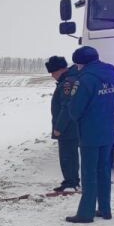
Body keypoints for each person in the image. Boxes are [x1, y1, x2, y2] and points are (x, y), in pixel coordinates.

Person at [65, 45, 114, 223]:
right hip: (108, 130)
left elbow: (75, 111)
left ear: (81, 64)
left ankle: (85, 213)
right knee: (104, 170)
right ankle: (105, 209)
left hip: (90, 133)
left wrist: (70, 102)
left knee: (89, 173)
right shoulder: (111, 74)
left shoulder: (85, 80)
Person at [46, 55, 80, 192]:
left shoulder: (68, 82)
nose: (52, 76)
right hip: (69, 126)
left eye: (53, 73)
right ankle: (71, 181)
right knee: (68, 155)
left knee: (68, 155)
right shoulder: (68, 80)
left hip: (68, 127)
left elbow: (66, 107)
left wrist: (59, 127)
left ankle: (71, 183)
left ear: (60, 70)